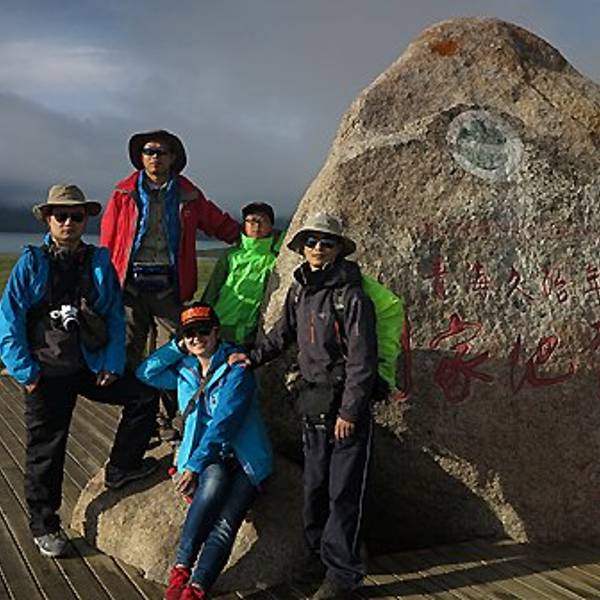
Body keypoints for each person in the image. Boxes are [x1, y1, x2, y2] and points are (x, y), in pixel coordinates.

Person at [0, 184, 158, 558]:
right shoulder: (32, 263)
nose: (68, 222)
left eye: (76, 216)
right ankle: (44, 525)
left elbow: (114, 315)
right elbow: (9, 319)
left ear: (85, 220)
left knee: (143, 395)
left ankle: (121, 467)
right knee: (47, 450)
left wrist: (112, 363)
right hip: (46, 371)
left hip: (89, 364)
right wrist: (25, 371)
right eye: (61, 215)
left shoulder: (98, 261)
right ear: (48, 219)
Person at [228, 213, 377, 600]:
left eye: (327, 242)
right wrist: (251, 358)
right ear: (302, 247)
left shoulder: (352, 297)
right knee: (314, 487)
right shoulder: (300, 291)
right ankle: (315, 562)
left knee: (342, 493)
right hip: (313, 402)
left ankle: (342, 575)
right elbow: (282, 335)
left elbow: (362, 362)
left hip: (344, 408)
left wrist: (350, 412)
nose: (317, 248)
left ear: (339, 249)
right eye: (311, 241)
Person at [100, 130, 240, 441]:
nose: (155, 157)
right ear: (141, 157)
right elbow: (109, 241)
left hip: (169, 288)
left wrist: (250, 237)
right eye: (149, 151)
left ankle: (168, 418)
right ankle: (138, 420)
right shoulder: (123, 194)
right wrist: (106, 282)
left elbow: (216, 222)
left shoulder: (188, 194)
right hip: (130, 287)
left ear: (173, 158)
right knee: (128, 352)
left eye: (161, 152)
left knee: (178, 348)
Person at [136, 302, 272, 600]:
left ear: (216, 331)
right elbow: (146, 372)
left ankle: (197, 587)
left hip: (244, 456)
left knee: (226, 521)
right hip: (210, 456)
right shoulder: (185, 369)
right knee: (211, 488)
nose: (197, 338)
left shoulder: (237, 367)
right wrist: (176, 347)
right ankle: (181, 570)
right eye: (189, 333)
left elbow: (224, 421)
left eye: (203, 331)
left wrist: (193, 465)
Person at [201, 202, 284, 344]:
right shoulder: (231, 256)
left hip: (253, 331)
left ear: (271, 226)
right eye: (251, 221)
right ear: (244, 225)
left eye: (262, 221)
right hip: (220, 324)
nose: (256, 226)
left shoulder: (277, 259)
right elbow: (212, 289)